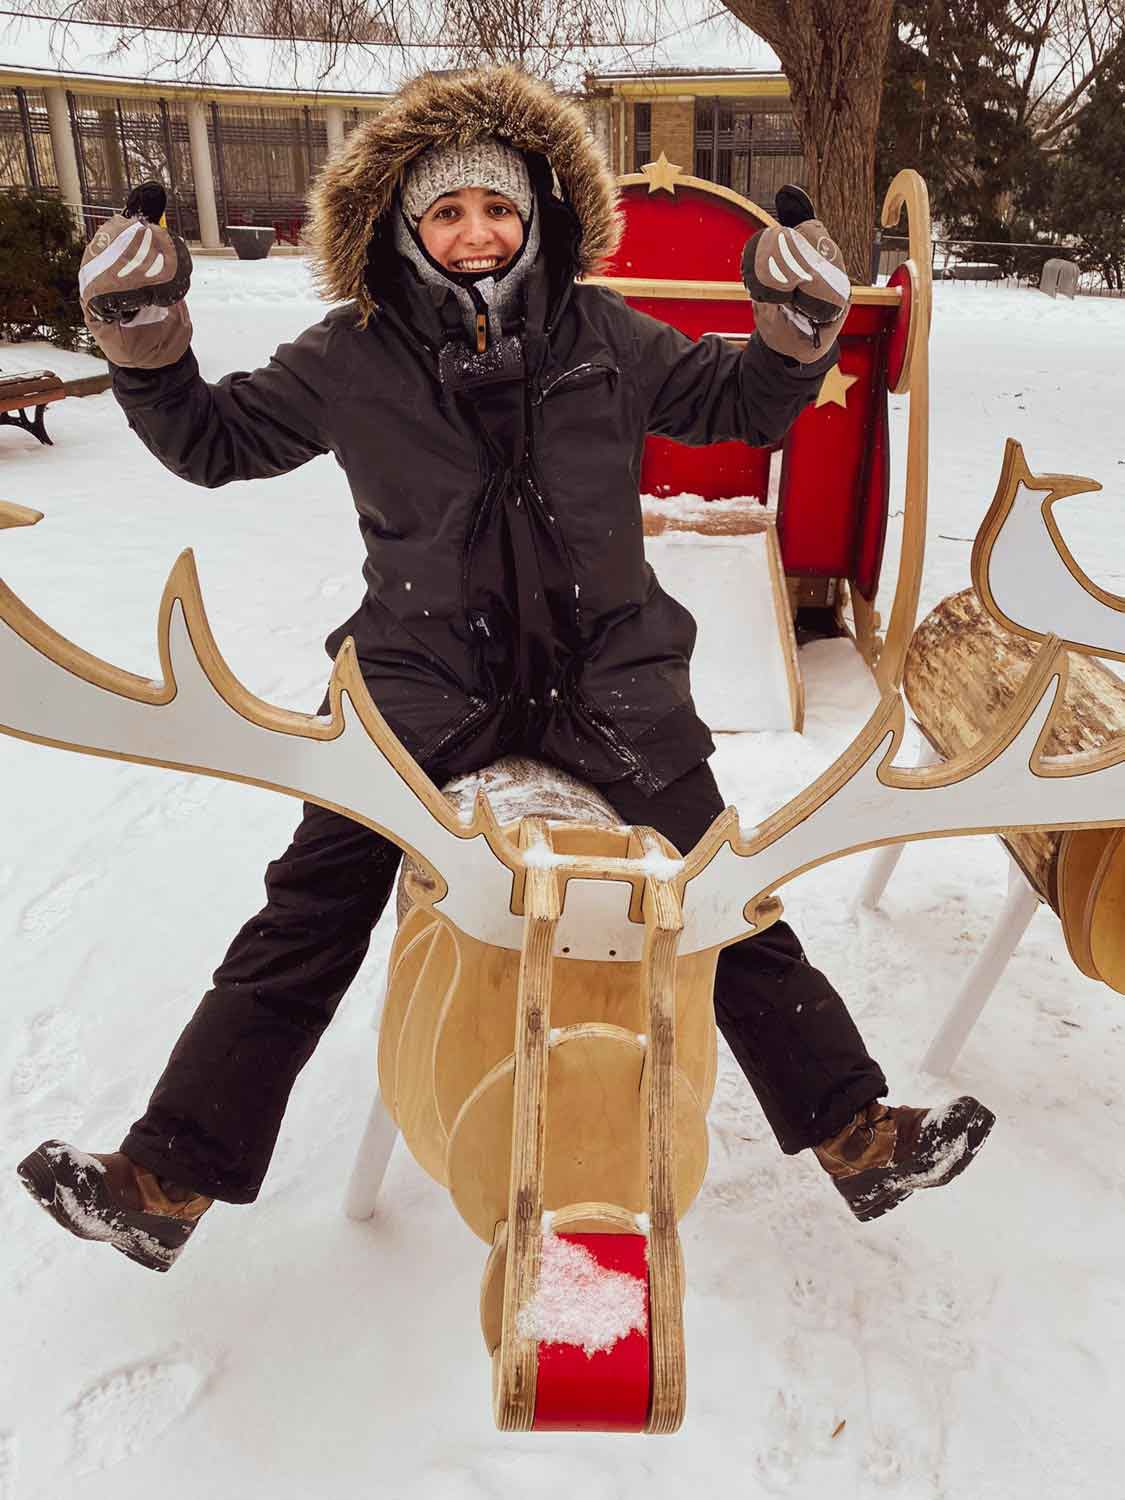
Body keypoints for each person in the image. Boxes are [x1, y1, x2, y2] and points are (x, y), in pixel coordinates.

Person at [17, 67, 993, 1273]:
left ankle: (859, 1136)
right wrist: (145, 343)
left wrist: (794, 336)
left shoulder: (607, 334)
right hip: (421, 688)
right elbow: (214, 443)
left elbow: (739, 401)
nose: (476, 233)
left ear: (537, 216)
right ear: (402, 228)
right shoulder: (350, 357)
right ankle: (164, 1180)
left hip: (610, 683)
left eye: (497, 208)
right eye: (446, 213)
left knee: (719, 899)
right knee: (309, 909)